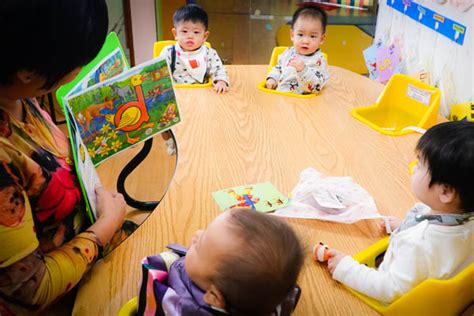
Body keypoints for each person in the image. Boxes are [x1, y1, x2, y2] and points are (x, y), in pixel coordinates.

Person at [0, 1, 126, 314]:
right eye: (78, 61)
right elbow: (30, 290)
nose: (81, 68)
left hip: (87, 237)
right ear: (27, 72)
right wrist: (106, 227)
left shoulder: (18, 94)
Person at [325, 121, 474, 304]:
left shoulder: (416, 244)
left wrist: (345, 268)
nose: (413, 168)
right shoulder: (465, 217)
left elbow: (390, 290)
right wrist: (406, 225)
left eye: (419, 165)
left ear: (445, 192)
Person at [138, 208, 304, 315]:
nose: (196, 234)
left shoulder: (180, 308)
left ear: (214, 298)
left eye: (199, 246)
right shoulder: (273, 293)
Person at [159, 4, 230, 94]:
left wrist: (221, 81)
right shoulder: (169, 52)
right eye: (184, 31)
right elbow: (160, 75)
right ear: (175, 34)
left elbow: (219, 69)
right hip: (178, 95)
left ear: (205, 36)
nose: (190, 36)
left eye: (196, 32)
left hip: (203, 94)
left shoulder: (209, 53)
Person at [266, 5, 329, 94]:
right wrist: (272, 78)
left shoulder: (319, 61)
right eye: (300, 35)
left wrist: (303, 70)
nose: (306, 41)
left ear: (321, 39)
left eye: (312, 36)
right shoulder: (288, 53)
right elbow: (279, 68)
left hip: (303, 104)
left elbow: (315, 87)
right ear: (292, 35)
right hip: (280, 97)